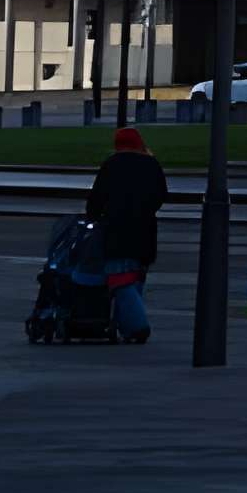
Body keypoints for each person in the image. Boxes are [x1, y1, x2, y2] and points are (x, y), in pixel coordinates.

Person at [85, 126, 169, 339]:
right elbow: (161, 194)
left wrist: (93, 217)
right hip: (146, 229)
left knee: (120, 279)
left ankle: (136, 326)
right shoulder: (152, 163)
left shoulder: (111, 164)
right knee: (137, 276)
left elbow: (96, 197)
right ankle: (126, 325)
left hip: (116, 229)